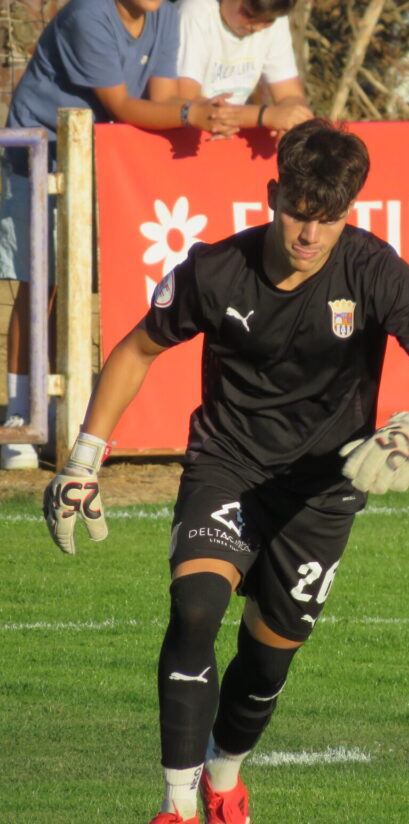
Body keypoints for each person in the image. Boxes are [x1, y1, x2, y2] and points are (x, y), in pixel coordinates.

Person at [43, 118, 409, 824]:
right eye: (297, 211)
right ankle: (176, 813)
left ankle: (225, 783)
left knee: (266, 659)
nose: (310, 232)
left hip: (322, 492)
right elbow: (136, 348)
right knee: (194, 612)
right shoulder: (217, 270)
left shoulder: (373, 272)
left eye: (329, 217)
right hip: (227, 464)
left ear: (348, 213)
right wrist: (85, 455)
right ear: (272, 195)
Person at [0, 0, 236, 471]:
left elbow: (165, 98)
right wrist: (195, 114)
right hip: (37, 158)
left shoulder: (165, 15)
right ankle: (21, 421)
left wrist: (211, 113)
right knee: (39, 287)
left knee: (76, 294)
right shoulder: (87, 14)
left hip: (96, 162)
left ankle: (62, 416)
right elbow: (124, 106)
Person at [176, 0, 313, 139]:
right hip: (185, 140)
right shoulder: (196, 11)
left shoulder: (276, 19)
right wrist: (265, 116)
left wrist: (291, 122)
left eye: (268, 21)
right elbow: (186, 102)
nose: (257, 27)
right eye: (248, 14)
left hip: (229, 140)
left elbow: (290, 95)